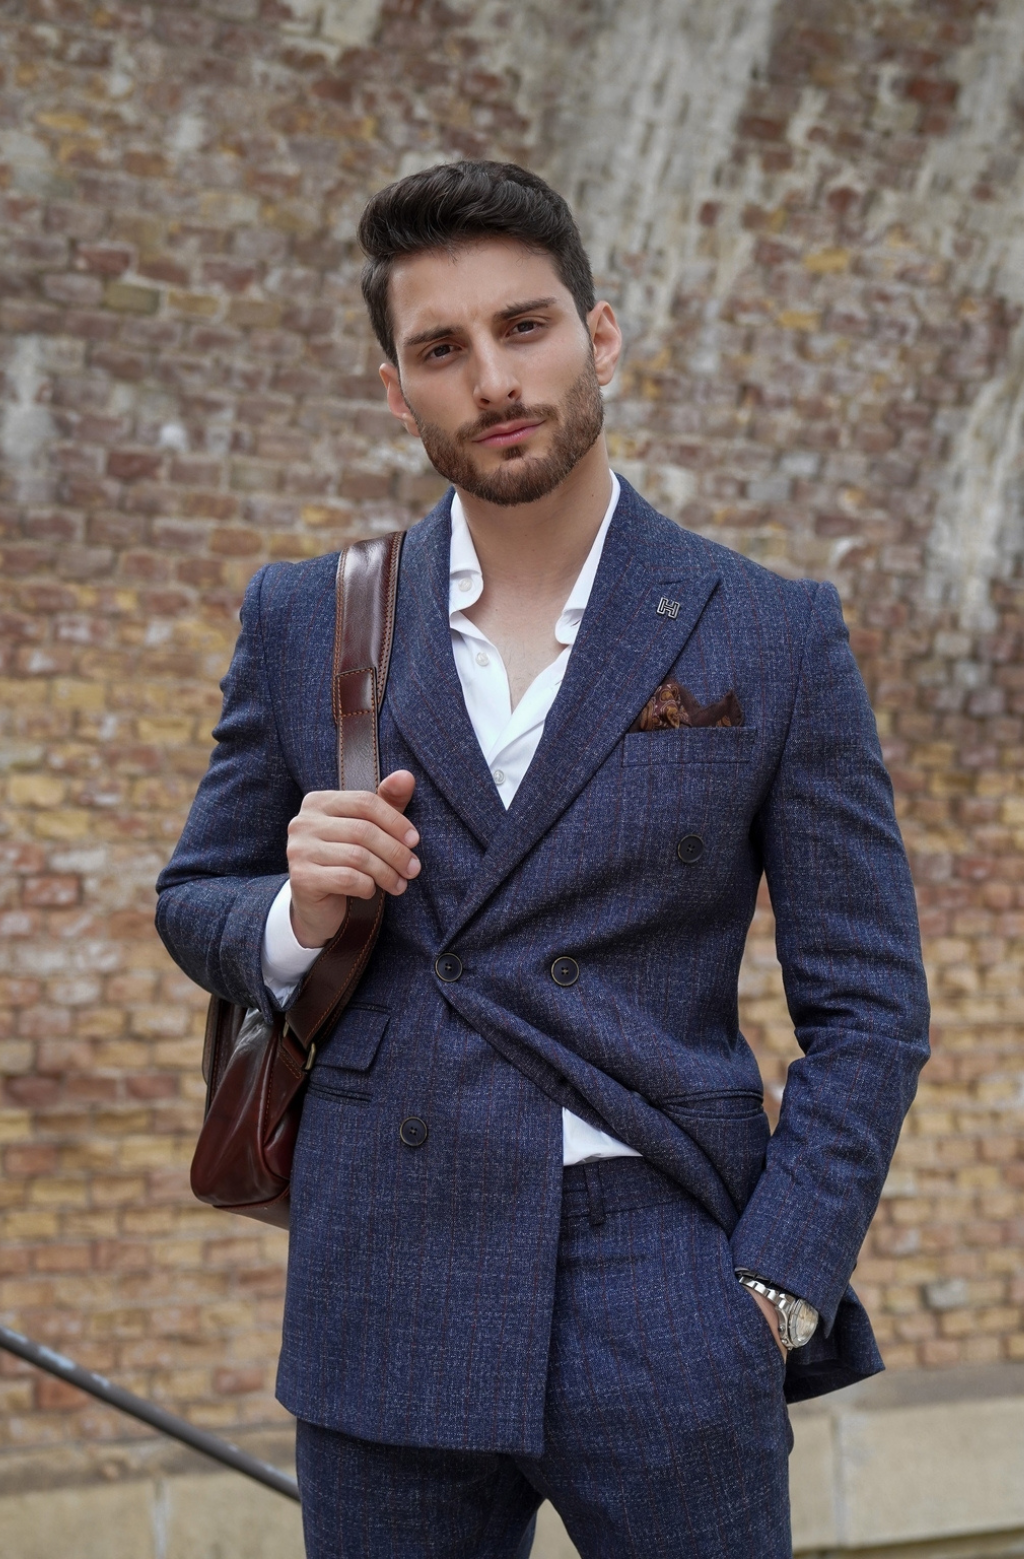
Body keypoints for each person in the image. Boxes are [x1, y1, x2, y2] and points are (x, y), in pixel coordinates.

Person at [156, 161, 930, 1559]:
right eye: (441, 349)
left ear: (600, 335)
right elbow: (193, 901)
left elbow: (870, 1002)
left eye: (525, 327)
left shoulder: (770, 632)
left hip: (668, 1277)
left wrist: (776, 1285)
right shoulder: (305, 618)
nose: (494, 379)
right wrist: (295, 910)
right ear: (397, 391)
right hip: (382, 1279)